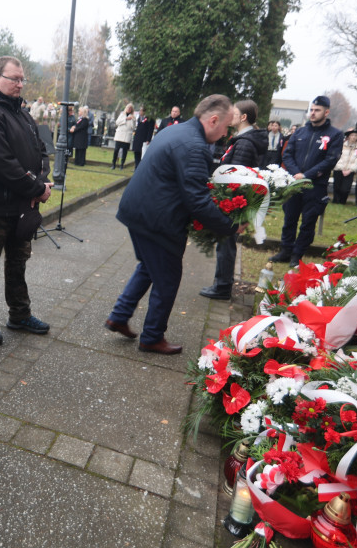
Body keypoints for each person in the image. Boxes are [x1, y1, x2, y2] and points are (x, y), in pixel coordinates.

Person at [106, 95, 236, 354]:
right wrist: (230, 226)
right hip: (157, 220)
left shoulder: (177, 131)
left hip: (139, 211)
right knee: (167, 279)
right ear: (213, 120)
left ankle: (119, 316)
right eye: (226, 127)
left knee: (148, 267)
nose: (226, 133)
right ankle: (152, 337)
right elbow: (198, 201)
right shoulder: (194, 146)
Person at [0, 56, 52, 346]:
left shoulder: (23, 114)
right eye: (13, 78)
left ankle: (19, 314)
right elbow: (2, 164)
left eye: (21, 79)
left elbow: (41, 152)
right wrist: (36, 188)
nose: (19, 84)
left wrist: (40, 180)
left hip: (22, 206)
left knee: (18, 262)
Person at [200, 100, 265, 300]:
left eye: (234, 113)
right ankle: (221, 283)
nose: (231, 116)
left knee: (226, 243)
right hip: (233, 201)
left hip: (234, 202)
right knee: (225, 243)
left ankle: (223, 287)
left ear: (244, 117)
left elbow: (236, 177)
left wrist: (226, 200)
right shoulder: (241, 140)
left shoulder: (245, 143)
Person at [269, 95, 344, 266]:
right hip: (295, 183)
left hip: (315, 186)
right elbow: (288, 154)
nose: (313, 113)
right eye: (311, 109)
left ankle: (297, 254)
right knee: (289, 219)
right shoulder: (301, 132)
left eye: (317, 110)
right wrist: (296, 173)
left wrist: (307, 175)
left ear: (326, 112)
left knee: (308, 222)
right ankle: (285, 250)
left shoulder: (335, 135)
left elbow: (330, 160)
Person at [331, 129, 357, 204]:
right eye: (352, 135)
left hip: (350, 171)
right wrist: (341, 168)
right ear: (348, 136)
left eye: (356, 135)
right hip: (339, 169)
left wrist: (350, 169)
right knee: (337, 186)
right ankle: (335, 201)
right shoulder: (341, 145)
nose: (354, 137)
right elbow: (337, 157)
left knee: (345, 188)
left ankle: (343, 201)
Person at [112, 103, 135, 170]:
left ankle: (122, 164)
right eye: (128, 108)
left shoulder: (133, 117)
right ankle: (113, 164)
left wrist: (132, 120)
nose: (129, 109)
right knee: (116, 150)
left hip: (127, 135)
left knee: (125, 151)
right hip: (120, 135)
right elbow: (117, 122)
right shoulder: (122, 115)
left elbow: (133, 127)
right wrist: (126, 119)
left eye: (130, 108)